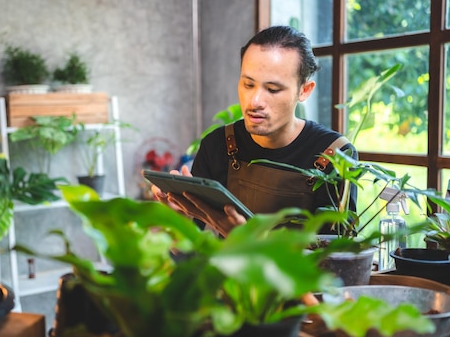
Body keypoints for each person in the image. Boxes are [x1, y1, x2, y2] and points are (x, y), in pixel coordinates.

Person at [152, 25, 357, 236]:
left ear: (304, 90)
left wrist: (248, 239)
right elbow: (187, 248)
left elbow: (343, 260)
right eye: (248, 85)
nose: (255, 101)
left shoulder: (336, 155)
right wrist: (179, 221)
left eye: (272, 89)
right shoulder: (218, 144)